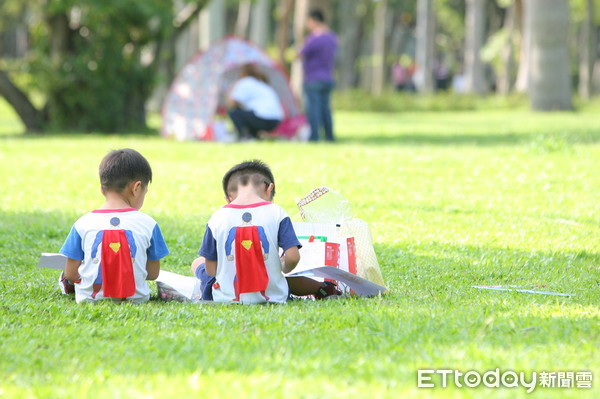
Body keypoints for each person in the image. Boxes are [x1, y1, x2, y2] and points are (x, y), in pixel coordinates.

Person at [191, 160, 341, 304]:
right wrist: (283, 266)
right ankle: (324, 288)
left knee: (198, 263)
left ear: (228, 198)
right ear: (269, 189)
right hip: (273, 294)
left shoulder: (217, 218)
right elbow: (293, 257)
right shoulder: (277, 213)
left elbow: (211, 270)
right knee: (278, 278)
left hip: (227, 297)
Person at [58, 149, 170, 303]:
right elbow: (152, 273)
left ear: (102, 189)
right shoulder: (149, 224)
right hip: (137, 300)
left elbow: (70, 274)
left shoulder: (82, 223)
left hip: (89, 300)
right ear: (136, 188)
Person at [300, 9, 338, 142]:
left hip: (313, 78)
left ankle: (314, 137)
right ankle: (329, 137)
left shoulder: (313, 38)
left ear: (313, 21)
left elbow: (299, 54)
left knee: (313, 110)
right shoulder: (332, 37)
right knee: (325, 110)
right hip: (328, 78)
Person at [227, 63, 284, 140]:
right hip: (276, 120)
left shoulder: (245, 82)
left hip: (263, 117)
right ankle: (255, 137)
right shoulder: (261, 83)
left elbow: (233, 102)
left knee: (234, 111)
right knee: (248, 113)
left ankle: (244, 135)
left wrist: (232, 89)